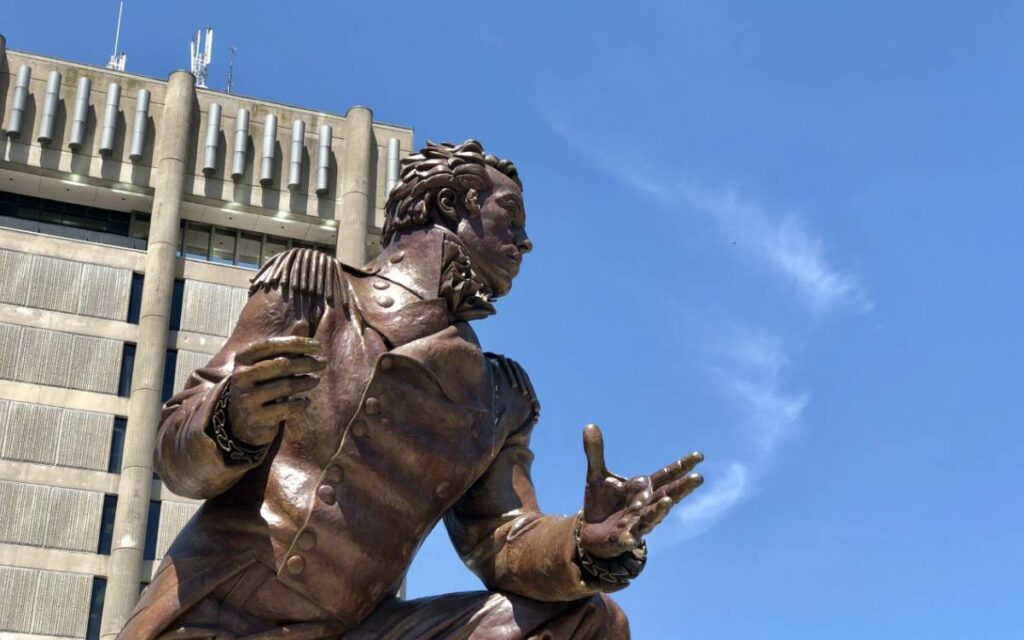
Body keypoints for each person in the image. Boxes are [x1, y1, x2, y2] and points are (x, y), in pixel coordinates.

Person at [120, 140, 705, 639]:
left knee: (589, 624)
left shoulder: (501, 397)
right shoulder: (316, 294)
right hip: (219, 614)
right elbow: (177, 460)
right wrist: (230, 417)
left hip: (350, 631)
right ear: (452, 205)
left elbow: (502, 540)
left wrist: (587, 541)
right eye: (511, 218)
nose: (525, 243)